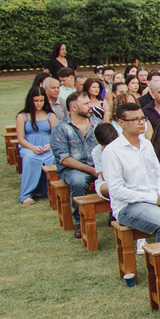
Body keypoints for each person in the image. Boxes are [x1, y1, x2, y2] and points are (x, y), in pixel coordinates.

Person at [103, 103, 160, 284]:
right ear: (121, 123)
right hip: (129, 206)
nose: (141, 123)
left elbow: (158, 174)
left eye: (142, 118)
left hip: (157, 196)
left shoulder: (146, 144)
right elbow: (116, 190)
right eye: (135, 119)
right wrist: (154, 199)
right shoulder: (112, 151)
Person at [51, 92, 100, 236]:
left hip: (97, 165)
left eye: (90, 102)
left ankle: (115, 215)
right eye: (86, 104)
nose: (90, 106)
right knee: (78, 181)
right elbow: (64, 159)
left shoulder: (97, 123)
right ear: (73, 107)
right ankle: (80, 221)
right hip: (73, 168)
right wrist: (91, 170)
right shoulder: (60, 128)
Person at [16, 85, 57, 204]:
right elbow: (20, 138)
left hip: (47, 146)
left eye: (41, 101)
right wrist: (32, 148)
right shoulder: (22, 116)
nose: (39, 104)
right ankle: (26, 194)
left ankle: (51, 189)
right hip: (28, 146)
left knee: (53, 157)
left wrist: (50, 145)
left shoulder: (50, 115)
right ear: (30, 100)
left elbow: (55, 135)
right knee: (30, 158)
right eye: (36, 101)